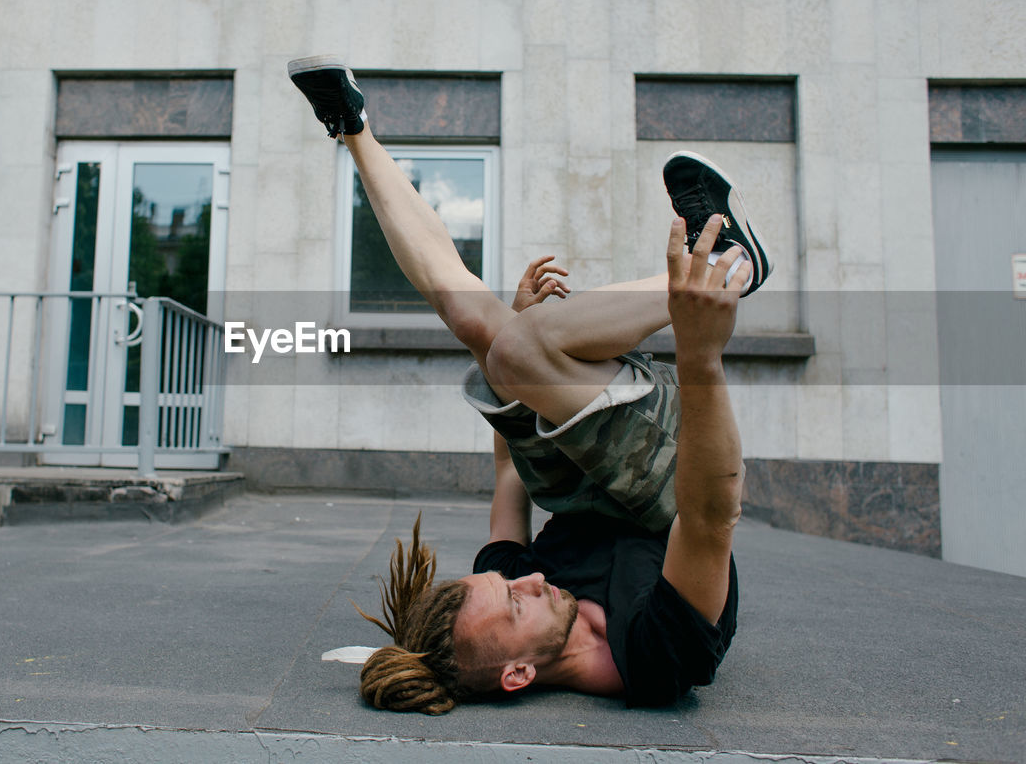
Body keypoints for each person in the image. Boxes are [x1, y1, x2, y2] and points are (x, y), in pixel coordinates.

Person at [288, 55, 770, 713]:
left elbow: (512, 472)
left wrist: (514, 347)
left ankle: (352, 128)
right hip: (674, 486)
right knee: (514, 346)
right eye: (518, 601)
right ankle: (723, 269)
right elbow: (713, 517)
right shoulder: (656, 655)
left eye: (511, 583)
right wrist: (699, 356)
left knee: (477, 324)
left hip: (578, 469)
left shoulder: (509, 581)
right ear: (517, 673)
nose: (533, 579)